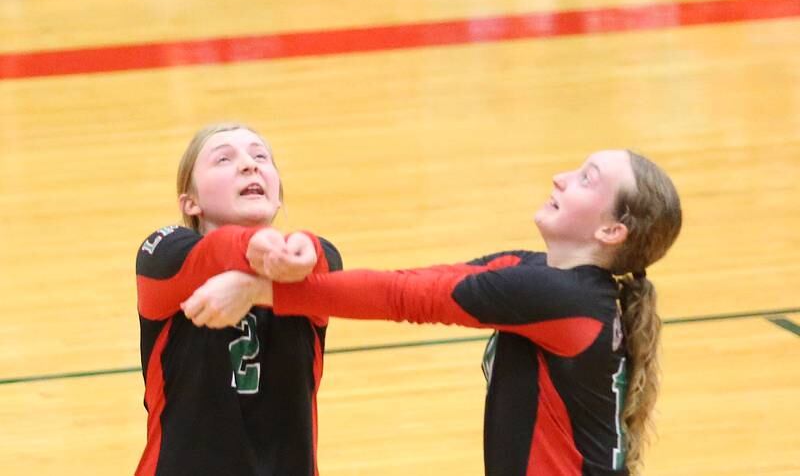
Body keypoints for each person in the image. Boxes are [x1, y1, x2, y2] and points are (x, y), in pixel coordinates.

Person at [184, 148, 682, 476]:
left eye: (585, 180)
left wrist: (257, 290)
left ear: (611, 231)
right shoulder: (544, 279)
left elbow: (406, 299)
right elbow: (424, 281)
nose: (561, 176)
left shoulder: (557, 297)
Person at [135, 122, 342, 476]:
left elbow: (327, 260)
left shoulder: (310, 262)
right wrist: (252, 246)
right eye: (223, 159)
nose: (250, 164)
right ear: (191, 202)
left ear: (278, 195)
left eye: (260, 155)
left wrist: (293, 255)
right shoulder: (164, 258)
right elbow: (199, 255)